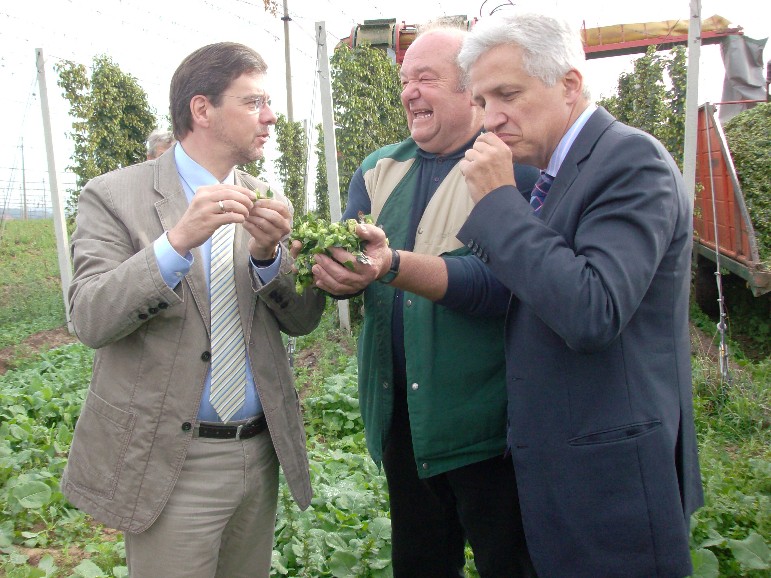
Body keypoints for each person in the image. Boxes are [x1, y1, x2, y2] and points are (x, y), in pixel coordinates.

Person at [452, 12, 704, 578]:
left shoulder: (630, 162)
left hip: (612, 484)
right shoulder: (547, 176)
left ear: (569, 85)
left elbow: (593, 310)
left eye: (508, 94)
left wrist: (497, 204)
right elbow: (523, 287)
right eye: (482, 100)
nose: (491, 119)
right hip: (561, 473)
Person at [62, 42, 325, 578]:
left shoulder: (264, 200)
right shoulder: (114, 196)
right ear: (202, 110)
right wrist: (175, 243)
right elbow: (89, 316)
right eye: (253, 102)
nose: (270, 116)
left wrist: (268, 258)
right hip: (172, 459)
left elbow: (301, 321)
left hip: (258, 450)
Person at [311, 25, 539, 577]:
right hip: (404, 420)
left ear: (471, 91)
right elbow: (349, 252)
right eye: (404, 80)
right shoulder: (379, 169)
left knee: (508, 560)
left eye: (426, 78)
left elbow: (509, 286)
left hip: (490, 427)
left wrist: (390, 265)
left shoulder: (515, 168)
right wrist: (332, 267)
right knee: (419, 562)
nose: (409, 91)